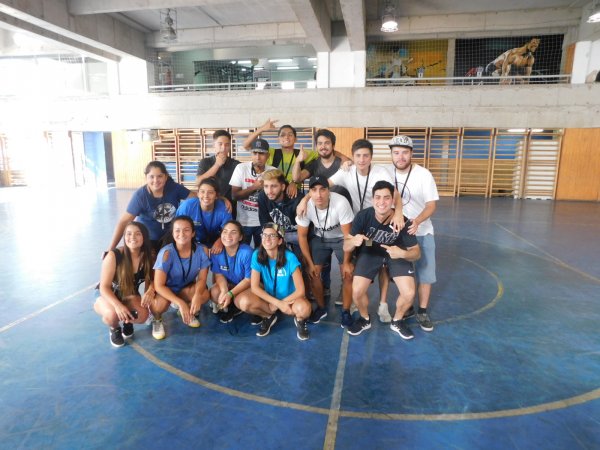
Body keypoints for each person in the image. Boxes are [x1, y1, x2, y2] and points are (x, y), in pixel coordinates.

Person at [343, 181, 421, 338]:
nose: (381, 202)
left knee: (409, 293)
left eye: (386, 198)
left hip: (395, 252)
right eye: (378, 197)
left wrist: (403, 254)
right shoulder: (363, 216)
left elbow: (416, 252)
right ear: (372, 200)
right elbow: (346, 246)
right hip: (371, 249)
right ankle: (365, 318)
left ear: (393, 200)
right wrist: (353, 241)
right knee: (356, 291)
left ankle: (397, 320)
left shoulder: (402, 220)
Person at [291, 128, 352, 300]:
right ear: (316, 146)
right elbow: (297, 179)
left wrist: (347, 159)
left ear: (333, 145)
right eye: (320, 144)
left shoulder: (342, 163)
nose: (323, 147)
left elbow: (351, 163)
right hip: (320, 213)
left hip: (342, 212)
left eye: (327, 143)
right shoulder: (314, 164)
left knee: (345, 265)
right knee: (321, 257)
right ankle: (324, 288)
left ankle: (344, 291)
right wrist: (298, 161)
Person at [387, 135, 439, 332]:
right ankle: (406, 305)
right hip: (397, 234)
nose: (400, 157)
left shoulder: (423, 174)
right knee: (402, 272)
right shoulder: (384, 172)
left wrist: (417, 221)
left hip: (422, 231)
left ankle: (423, 310)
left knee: (425, 273)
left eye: (405, 153)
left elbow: (431, 205)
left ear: (411, 154)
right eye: (396, 152)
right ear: (391, 154)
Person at [296, 176, 355, 327]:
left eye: (323, 189)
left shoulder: (341, 203)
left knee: (348, 274)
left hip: (342, 239)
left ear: (329, 191)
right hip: (320, 238)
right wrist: (309, 263)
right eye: (314, 190)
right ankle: (321, 308)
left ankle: (346, 311)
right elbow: (302, 236)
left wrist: (347, 262)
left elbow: (348, 237)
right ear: (310, 192)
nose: (319, 194)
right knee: (313, 273)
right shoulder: (306, 205)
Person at [107, 161, 193, 252]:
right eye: (151, 177)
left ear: (166, 177)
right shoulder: (140, 196)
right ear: (146, 178)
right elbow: (124, 222)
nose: (156, 180)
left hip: (170, 237)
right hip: (148, 239)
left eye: (160, 176)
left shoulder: (174, 188)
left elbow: (196, 199)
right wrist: (110, 249)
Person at [245, 223, 312, 340]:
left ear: (280, 241)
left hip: (290, 300)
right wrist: (277, 303)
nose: (267, 239)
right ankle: (268, 317)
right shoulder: (257, 255)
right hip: (270, 301)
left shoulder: (290, 257)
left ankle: (300, 320)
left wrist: (281, 303)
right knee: (243, 302)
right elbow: (254, 287)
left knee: (304, 309)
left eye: (272, 235)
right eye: (264, 235)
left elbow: (301, 291)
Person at [94, 222, 154, 347]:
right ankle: (114, 328)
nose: (133, 237)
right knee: (112, 315)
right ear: (124, 237)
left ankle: (128, 322)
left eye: (138, 234)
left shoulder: (148, 256)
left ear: (144, 237)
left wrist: (150, 290)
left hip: (129, 295)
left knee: (143, 315)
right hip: (106, 295)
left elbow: (151, 281)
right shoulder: (114, 255)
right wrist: (118, 306)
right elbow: (104, 287)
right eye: (129, 234)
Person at [152, 215, 211, 339]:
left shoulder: (203, 250)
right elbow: (158, 285)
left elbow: (202, 279)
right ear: (173, 233)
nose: (182, 234)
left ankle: (185, 311)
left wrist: (196, 296)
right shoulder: (166, 253)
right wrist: (180, 302)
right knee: (158, 306)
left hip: (185, 288)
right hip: (167, 290)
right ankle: (157, 321)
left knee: (204, 295)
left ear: (193, 233)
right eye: (177, 230)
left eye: (186, 230)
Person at [243, 119, 319, 197]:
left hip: (293, 194)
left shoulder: (303, 153)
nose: (286, 137)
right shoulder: (271, 153)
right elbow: (246, 145)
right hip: (272, 193)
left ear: (295, 139)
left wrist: (296, 181)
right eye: (282, 135)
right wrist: (261, 129)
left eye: (290, 135)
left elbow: (324, 154)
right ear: (278, 139)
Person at [229, 138, 275, 247]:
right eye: (255, 153)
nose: (257, 157)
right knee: (241, 252)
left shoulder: (273, 171)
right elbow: (234, 196)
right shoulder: (241, 168)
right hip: (243, 222)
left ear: (268, 155)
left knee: (264, 254)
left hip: (265, 221)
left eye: (261, 153)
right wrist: (254, 187)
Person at [209, 220, 255, 323]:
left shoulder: (247, 253)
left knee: (244, 302)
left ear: (240, 237)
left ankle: (246, 308)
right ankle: (233, 306)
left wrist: (230, 294)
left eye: (233, 232)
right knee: (215, 293)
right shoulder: (216, 252)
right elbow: (219, 274)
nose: (228, 235)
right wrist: (224, 290)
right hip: (231, 285)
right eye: (225, 231)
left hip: (248, 286)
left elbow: (249, 280)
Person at [176, 177, 232, 254]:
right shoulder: (187, 206)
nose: (206, 196)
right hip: (192, 241)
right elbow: (177, 228)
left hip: (216, 241)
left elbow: (229, 229)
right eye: (202, 192)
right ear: (198, 193)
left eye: (210, 192)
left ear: (216, 196)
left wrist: (221, 241)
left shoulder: (224, 208)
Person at [258, 168, 305, 258]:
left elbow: (303, 232)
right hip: (276, 234)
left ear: (283, 187)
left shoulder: (297, 198)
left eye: (274, 186)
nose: (269, 191)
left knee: (299, 263)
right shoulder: (262, 196)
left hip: (297, 234)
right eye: (266, 186)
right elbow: (265, 224)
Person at [196, 130, 240, 208]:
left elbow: (238, 191)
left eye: (227, 145)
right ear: (214, 145)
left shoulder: (236, 165)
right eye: (220, 144)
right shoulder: (205, 162)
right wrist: (217, 165)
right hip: (208, 204)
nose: (223, 148)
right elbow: (198, 182)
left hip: (229, 206)